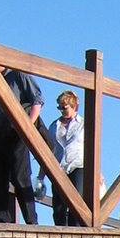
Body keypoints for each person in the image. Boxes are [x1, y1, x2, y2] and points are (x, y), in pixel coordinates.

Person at [0, 67, 43, 224]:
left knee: (20, 177)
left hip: (16, 131)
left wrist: (27, 127)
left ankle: (31, 222)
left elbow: (37, 101)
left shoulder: (18, 74)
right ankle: (1, 222)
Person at [37, 90, 85, 226]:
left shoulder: (83, 125)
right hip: (59, 168)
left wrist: (98, 173)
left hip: (78, 165)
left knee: (77, 203)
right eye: (59, 108)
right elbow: (47, 151)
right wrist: (41, 177)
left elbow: (91, 149)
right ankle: (60, 233)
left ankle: (75, 234)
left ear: (74, 106)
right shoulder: (54, 126)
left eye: (65, 107)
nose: (62, 110)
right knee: (59, 206)